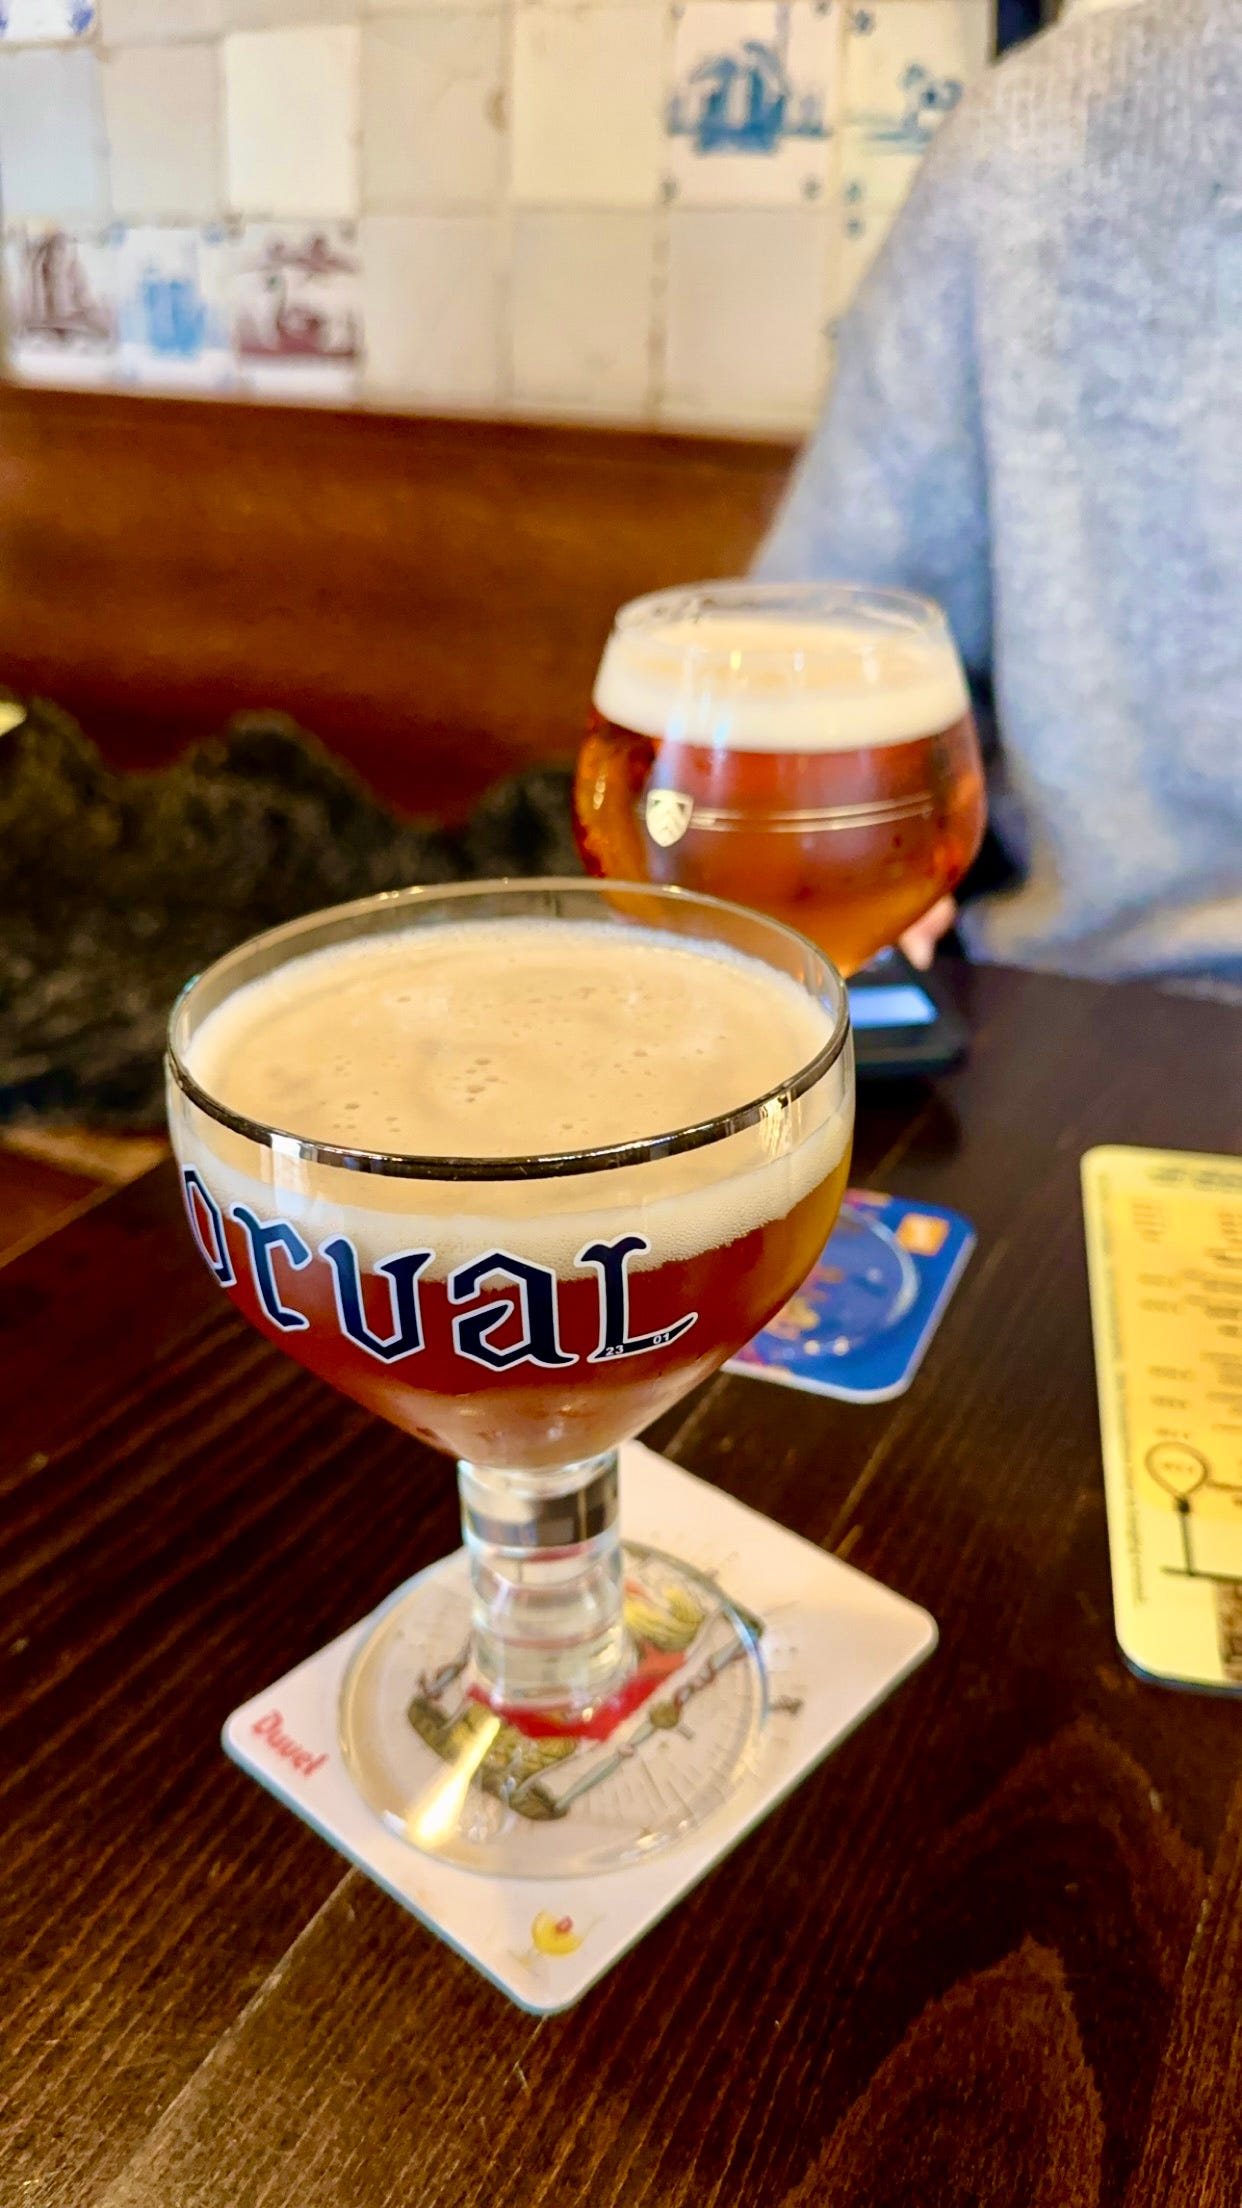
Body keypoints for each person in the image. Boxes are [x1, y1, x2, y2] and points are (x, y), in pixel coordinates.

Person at [755, 0, 1242, 982]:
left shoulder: (1041, 123)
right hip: (1096, 1012)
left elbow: (806, 637)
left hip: (1101, 1011)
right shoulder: (1039, 125)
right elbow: (801, 672)